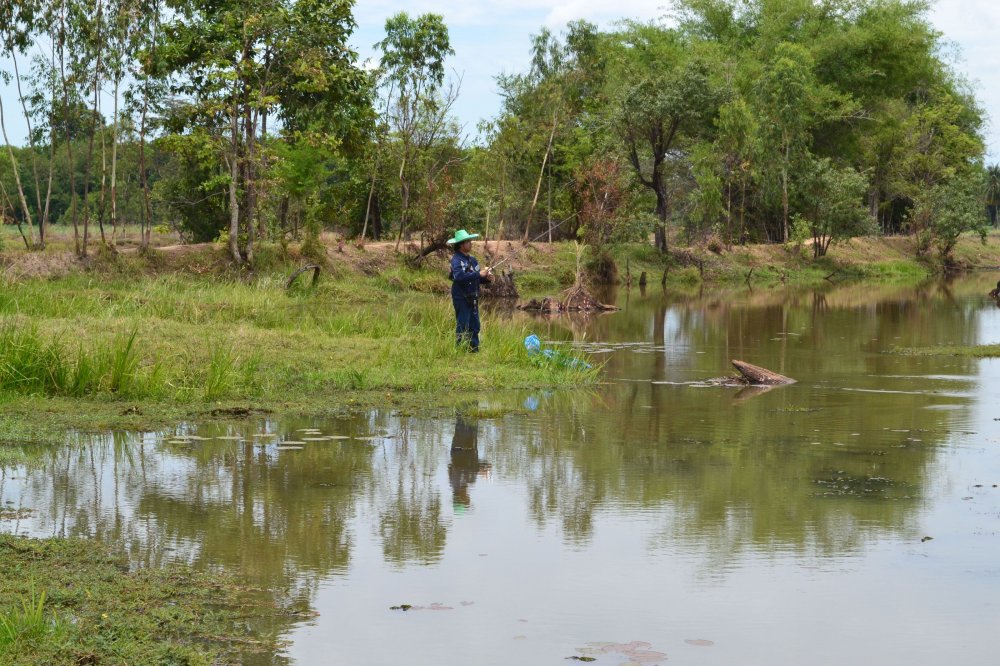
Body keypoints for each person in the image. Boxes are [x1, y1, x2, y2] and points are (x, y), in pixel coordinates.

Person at [447, 229, 491, 352]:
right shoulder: (456, 260)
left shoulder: (473, 260)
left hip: (473, 297)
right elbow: (459, 276)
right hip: (461, 297)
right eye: (468, 241)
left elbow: (478, 278)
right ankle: (460, 350)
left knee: (475, 325)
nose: (471, 243)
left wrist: (487, 278)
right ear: (461, 244)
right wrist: (479, 275)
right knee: (463, 324)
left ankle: (474, 350)